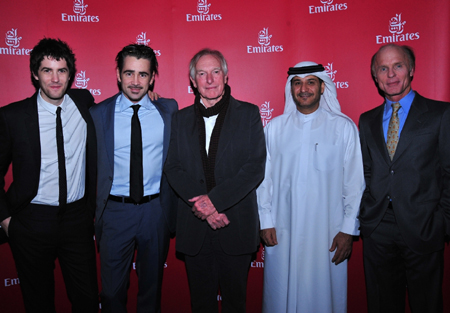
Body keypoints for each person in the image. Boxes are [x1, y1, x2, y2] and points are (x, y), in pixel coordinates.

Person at [257, 62, 365, 313]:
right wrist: (265, 221)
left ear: (322, 87)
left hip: (328, 231)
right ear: (290, 88)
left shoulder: (344, 127)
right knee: (280, 295)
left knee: (324, 296)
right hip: (283, 229)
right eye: (297, 83)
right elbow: (264, 181)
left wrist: (348, 229)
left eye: (310, 82)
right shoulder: (274, 128)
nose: (303, 88)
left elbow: (354, 183)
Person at [0, 38, 98, 312]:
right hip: (31, 221)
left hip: (77, 221)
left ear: (71, 74)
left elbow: (117, 108)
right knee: (38, 302)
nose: (55, 79)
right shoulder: (13, 117)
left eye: (62, 70)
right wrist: (7, 221)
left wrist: (151, 98)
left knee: (87, 300)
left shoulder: (84, 103)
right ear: (35, 73)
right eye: (47, 70)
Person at [164, 48, 266, 313]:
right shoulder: (179, 119)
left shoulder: (249, 114)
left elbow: (255, 167)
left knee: (235, 304)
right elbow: (173, 168)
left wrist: (215, 202)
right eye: (202, 73)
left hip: (236, 227)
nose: (209, 79)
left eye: (215, 72)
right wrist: (205, 208)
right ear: (193, 81)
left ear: (226, 76)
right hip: (194, 230)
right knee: (201, 305)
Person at [359, 44, 450, 313]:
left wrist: (442, 222)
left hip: (424, 227)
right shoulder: (367, 120)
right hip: (377, 230)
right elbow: (366, 171)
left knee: (427, 304)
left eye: (397, 66)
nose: (391, 75)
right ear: (375, 76)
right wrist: (367, 215)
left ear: (411, 69)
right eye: (383, 69)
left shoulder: (441, 114)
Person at [90, 44, 178, 313]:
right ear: (118, 75)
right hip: (115, 211)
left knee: (151, 291)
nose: (136, 82)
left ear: (152, 78)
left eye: (143, 74)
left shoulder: (169, 111)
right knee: (112, 292)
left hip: (155, 211)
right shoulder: (98, 114)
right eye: (129, 73)